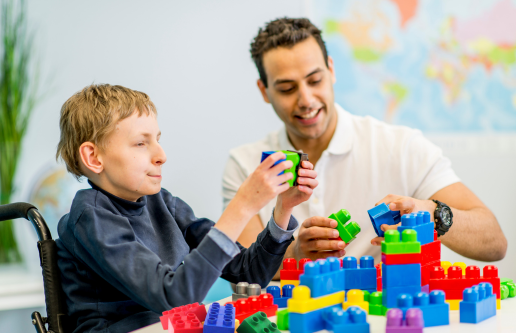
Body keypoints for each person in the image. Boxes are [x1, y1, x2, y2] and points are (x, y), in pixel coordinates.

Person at [222, 18, 507, 271]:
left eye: (315, 80)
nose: (306, 99)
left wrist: (430, 214)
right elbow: (242, 268)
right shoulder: (246, 164)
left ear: (331, 70)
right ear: (264, 91)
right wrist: (294, 254)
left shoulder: (402, 146)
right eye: (287, 88)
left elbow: (494, 242)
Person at [54, 84, 318, 332]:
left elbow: (249, 274)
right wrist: (243, 206)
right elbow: (173, 297)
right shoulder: (90, 217)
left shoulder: (162, 203)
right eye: (140, 143)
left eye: (157, 139)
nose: (161, 155)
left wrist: (283, 207)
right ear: (93, 157)